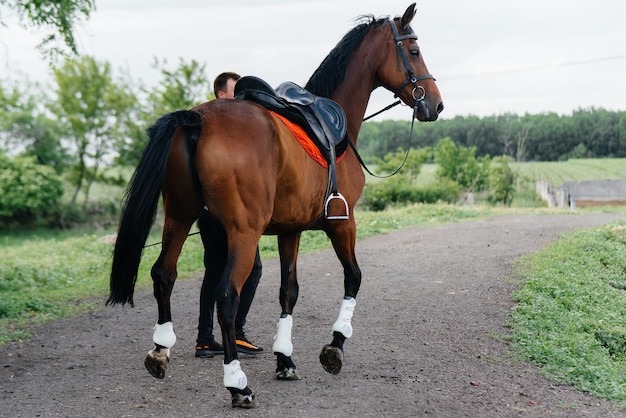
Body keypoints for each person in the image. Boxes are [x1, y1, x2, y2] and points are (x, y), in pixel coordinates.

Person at [195, 72, 264, 357]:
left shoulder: (203, 124)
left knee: (213, 271)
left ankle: (204, 338)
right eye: (235, 93)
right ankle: (236, 331)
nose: (240, 99)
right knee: (252, 267)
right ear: (221, 95)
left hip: (205, 208)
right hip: (226, 211)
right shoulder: (226, 127)